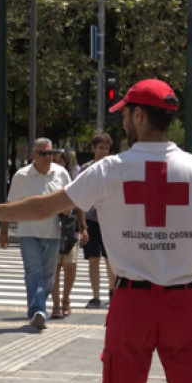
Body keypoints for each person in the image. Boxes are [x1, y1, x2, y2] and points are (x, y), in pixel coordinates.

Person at [0, 78, 192, 383]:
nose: (121, 121)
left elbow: (43, 207)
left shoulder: (109, 170)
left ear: (138, 116)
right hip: (185, 304)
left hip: (131, 304)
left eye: (124, 113)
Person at [0, 137, 68, 330]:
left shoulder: (61, 173)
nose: (48, 157)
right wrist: (4, 231)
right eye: (44, 153)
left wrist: (79, 223)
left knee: (48, 276)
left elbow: (71, 198)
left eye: (51, 153)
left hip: (53, 233)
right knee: (34, 272)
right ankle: (39, 311)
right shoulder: (21, 176)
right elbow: (9, 205)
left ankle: (37, 308)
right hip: (28, 232)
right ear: (33, 155)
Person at [80, 132, 115, 308]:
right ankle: (95, 296)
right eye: (100, 147)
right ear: (94, 148)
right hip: (91, 219)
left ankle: (113, 292)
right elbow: (79, 197)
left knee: (111, 259)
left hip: (110, 220)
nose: (103, 151)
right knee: (93, 259)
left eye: (106, 148)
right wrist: (82, 226)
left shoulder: (114, 168)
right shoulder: (86, 169)